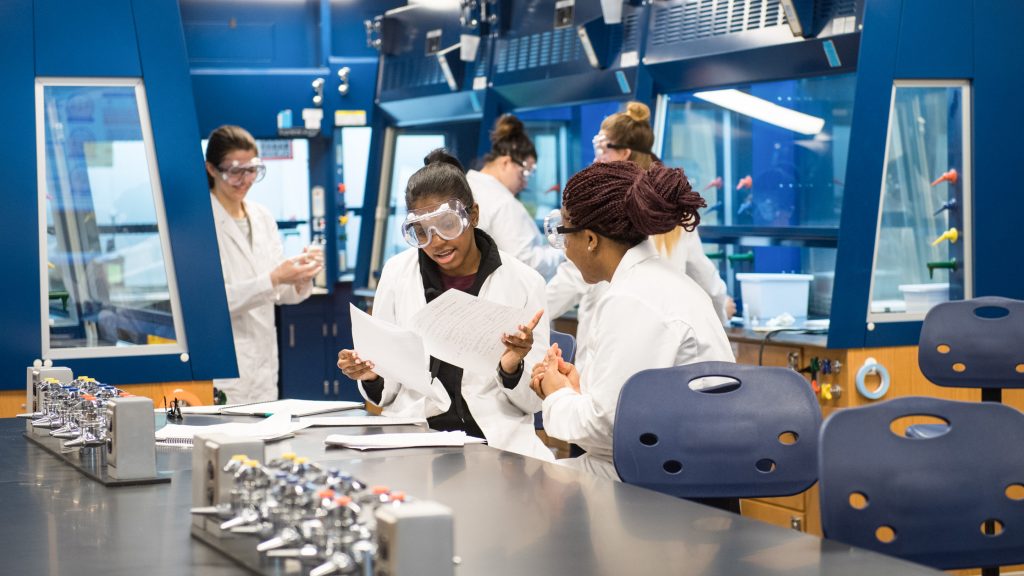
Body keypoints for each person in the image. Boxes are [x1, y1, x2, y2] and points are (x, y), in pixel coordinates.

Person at [337, 149, 553, 461]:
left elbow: (532, 403)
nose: (436, 241)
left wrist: (512, 366)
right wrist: (370, 375)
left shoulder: (524, 282)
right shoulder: (398, 274)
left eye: (447, 225)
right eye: (422, 232)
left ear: (473, 215)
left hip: (493, 440)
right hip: (415, 435)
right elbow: (388, 391)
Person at [531, 161, 735, 480]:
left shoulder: (632, 299)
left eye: (564, 234)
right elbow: (626, 410)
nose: (564, 249)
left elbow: (606, 430)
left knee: (527, 485)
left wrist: (556, 393)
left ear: (590, 239)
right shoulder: (662, 282)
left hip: (664, 488)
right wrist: (579, 391)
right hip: (675, 470)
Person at [546, 103, 734, 368]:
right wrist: (720, 305)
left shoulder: (609, 216)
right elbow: (702, 273)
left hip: (622, 348)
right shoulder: (662, 206)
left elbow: (572, 278)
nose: (596, 158)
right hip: (656, 357)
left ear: (624, 152)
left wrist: (527, 316)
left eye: (602, 148)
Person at [206, 125, 323, 405]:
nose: (245, 179)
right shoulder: (203, 222)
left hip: (263, 367)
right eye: (235, 171)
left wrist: (301, 275)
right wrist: (273, 278)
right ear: (212, 169)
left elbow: (283, 294)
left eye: (252, 169)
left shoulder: (262, 216)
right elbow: (214, 304)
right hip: (225, 367)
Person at [468, 114, 563, 280]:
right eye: (524, 173)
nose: (525, 184)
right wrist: (565, 251)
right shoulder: (502, 202)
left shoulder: (467, 185)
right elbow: (526, 263)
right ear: (506, 163)